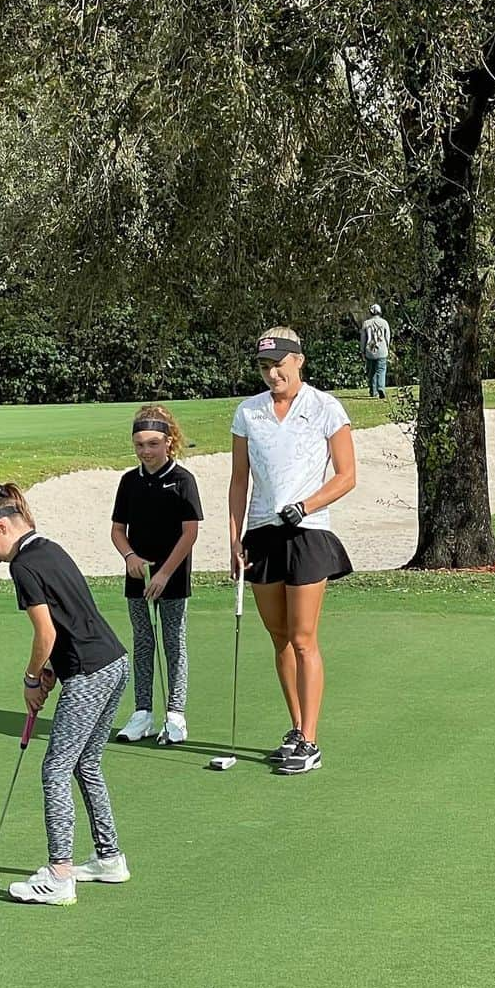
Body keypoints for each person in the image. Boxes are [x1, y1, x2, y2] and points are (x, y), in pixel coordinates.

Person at [0, 483, 130, 905]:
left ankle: (60, 876)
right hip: (114, 662)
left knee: (56, 769)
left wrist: (30, 677)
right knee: (87, 762)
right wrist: (51, 673)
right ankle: (109, 857)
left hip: (90, 674)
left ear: (1, 527)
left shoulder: (22, 565)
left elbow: (47, 631)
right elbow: (73, 617)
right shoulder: (50, 548)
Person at [228, 327, 356, 774]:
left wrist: (305, 505)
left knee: (303, 639)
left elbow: (346, 475)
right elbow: (239, 480)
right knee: (279, 637)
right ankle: (297, 728)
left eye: (279, 364)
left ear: (298, 360)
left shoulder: (325, 407)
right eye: (265, 366)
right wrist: (233, 540)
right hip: (262, 534)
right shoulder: (248, 413)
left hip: (307, 531)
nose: (272, 373)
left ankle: (312, 740)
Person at [111, 404, 203, 745]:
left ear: (169, 442)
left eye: (152, 443)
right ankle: (143, 714)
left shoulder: (182, 481)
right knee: (143, 642)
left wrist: (164, 573)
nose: (146, 451)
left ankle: (176, 715)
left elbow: (189, 533)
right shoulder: (129, 482)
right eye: (139, 445)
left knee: (173, 643)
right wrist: (129, 555)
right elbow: (118, 530)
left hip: (173, 576)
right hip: (138, 575)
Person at [360, 303, 391, 398]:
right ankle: (381, 387)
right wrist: (387, 346)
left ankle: (373, 391)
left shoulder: (366, 323)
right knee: (381, 370)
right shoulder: (384, 322)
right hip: (382, 350)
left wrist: (362, 350)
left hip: (370, 350)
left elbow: (363, 338)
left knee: (371, 371)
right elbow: (387, 337)